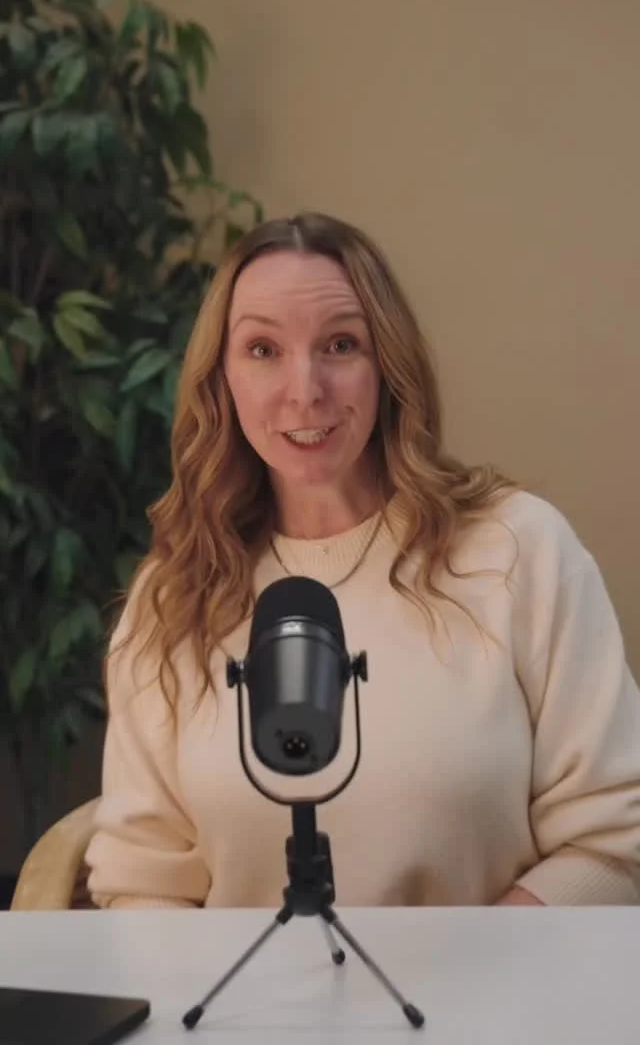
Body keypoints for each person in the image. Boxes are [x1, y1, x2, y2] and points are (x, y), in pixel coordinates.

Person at [85, 211, 640, 910]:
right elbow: (140, 883)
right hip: (245, 987)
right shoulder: (174, 598)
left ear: (388, 366)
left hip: (487, 981)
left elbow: (615, 836)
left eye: (341, 344)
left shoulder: (519, 551)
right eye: (263, 349)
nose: (304, 390)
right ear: (221, 379)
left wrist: (477, 971)